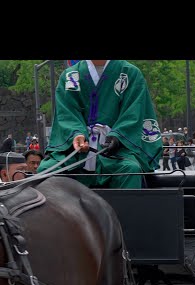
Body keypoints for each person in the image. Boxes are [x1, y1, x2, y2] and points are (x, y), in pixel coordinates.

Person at [37, 60, 162, 189]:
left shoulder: (130, 73)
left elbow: (134, 112)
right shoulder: (70, 75)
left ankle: (127, 209)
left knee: (130, 170)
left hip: (116, 151)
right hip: (78, 151)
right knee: (46, 170)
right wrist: (76, 134)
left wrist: (117, 137)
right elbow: (66, 113)